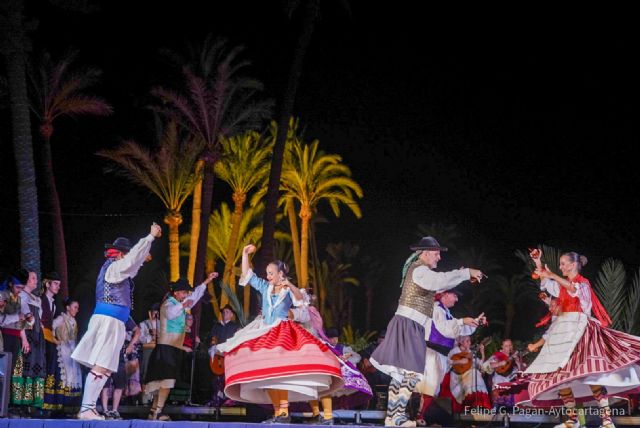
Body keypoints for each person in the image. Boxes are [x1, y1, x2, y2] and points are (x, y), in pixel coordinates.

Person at [216, 244, 343, 424]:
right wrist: (244, 254)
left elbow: (300, 300)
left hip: (283, 331)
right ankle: (280, 413)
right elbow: (248, 276)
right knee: (267, 375)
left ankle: (284, 412)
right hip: (264, 330)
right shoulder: (265, 287)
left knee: (280, 373)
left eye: (271, 273)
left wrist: (289, 284)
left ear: (280, 274)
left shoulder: (287, 291)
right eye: (267, 273)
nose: (267, 276)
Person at [369, 236, 485, 427]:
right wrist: (465, 272)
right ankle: (397, 417)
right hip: (408, 324)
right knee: (411, 373)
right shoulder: (420, 270)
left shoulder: (422, 272)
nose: (439, 258)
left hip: (411, 324)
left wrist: (464, 277)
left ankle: (393, 416)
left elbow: (442, 284)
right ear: (425, 253)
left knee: (403, 374)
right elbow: (440, 281)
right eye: (437, 253)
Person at [525, 250, 640, 428]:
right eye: (560, 264)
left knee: (590, 376)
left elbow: (572, 289)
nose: (561, 266)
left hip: (580, 330)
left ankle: (607, 420)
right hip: (562, 332)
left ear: (572, 265)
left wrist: (552, 274)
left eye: (563, 263)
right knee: (558, 377)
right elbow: (546, 283)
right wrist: (538, 263)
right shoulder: (561, 285)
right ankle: (573, 419)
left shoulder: (583, 284)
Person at [71, 222, 162, 420]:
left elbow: (133, 266)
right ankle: (86, 408)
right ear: (121, 253)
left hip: (115, 322)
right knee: (100, 365)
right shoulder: (113, 268)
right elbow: (131, 263)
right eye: (127, 254)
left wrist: (141, 259)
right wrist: (150, 238)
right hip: (108, 322)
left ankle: (89, 408)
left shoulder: (117, 270)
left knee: (106, 368)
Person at [144, 273, 217, 421]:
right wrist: (183, 305)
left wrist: (207, 280)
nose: (186, 295)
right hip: (166, 348)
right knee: (166, 381)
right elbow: (171, 314)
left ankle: (154, 411)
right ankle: (157, 412)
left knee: (164, 382)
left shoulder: (180, 303)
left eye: (186, 293)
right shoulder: (168, 303)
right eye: (183, 292)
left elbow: (195, 296)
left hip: (173, 349)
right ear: (176, 292)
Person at [415, 289, 485, 426]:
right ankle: (418, 415)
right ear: (445, 295)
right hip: (432, 351)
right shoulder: (436, 309)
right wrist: (462, 321)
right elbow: (445, 329)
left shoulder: (446, 312)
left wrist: (476, 322)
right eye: (454, 295)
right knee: (430, 385)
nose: (456, 299)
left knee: (432, 387)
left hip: (440, 354)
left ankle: (419, 414)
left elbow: (459, 330)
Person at [11, 269, 46, 413]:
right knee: (24, 369)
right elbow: (20, 318)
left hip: (38, 337)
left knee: (37, 368)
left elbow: (38, 319)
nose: (35, 281)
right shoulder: (22, 296)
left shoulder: (36, 299)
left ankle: (35, 403)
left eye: (35, 278)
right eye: (32, 278)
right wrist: (23, 338)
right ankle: (20, 403)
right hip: (28, 337)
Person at [42, 298, 82, 415]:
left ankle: (69, 407)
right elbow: (50, 329)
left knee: (73, 377)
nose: (77, 310)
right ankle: (56, 406)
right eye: (75, 307)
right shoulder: (60, 318)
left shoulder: (74, 321)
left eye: (77, 308)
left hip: (72, 351)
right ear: (68, 307)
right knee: (62, 376)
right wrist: (55, 340)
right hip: (62, 351)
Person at [100, 319, 141, 420]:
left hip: (119, 355)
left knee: (119, 385)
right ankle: (105, 411)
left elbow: (137, 331)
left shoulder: (124, 315)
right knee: (105, 384)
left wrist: (131, 345)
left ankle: (114, 410)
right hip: (105, 353)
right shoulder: (106, 314)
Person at [447, 335, 491, 412]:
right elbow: (447, 362)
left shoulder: (471, 352)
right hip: (458, 379)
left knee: (474, 372)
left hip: (471, 376)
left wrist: (482, 353)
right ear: (461, 342)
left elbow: (481, 366)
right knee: (473, 373)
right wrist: (460, 361)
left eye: (470, 341)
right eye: (467, 341)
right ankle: (472, 404)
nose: (470, 343)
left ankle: (480, 404)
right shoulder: (454, 351)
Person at [208, 304, 240, 407]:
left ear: (231, 315)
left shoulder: (235, 327)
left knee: (227, 377)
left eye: (227, 312)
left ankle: (230, 399)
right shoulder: (217, 326)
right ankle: (216, 398)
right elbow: (213, 339)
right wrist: (214, 346)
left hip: (229, 355)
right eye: (223, 312)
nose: (224, 314)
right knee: (216, 377)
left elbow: (236, 340)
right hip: (218, 356)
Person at [483, 338, 525, 409]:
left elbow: (522, 371)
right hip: (499, 385)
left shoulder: (515, 356)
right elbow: (486, 366)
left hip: (512, 387)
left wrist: (518, 362)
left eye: (510, 345)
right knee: (498, 409)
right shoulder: (498, 355)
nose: (509, 347)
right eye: (506, 346)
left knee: (512, 410)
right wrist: (500, 363)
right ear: (502, 347)